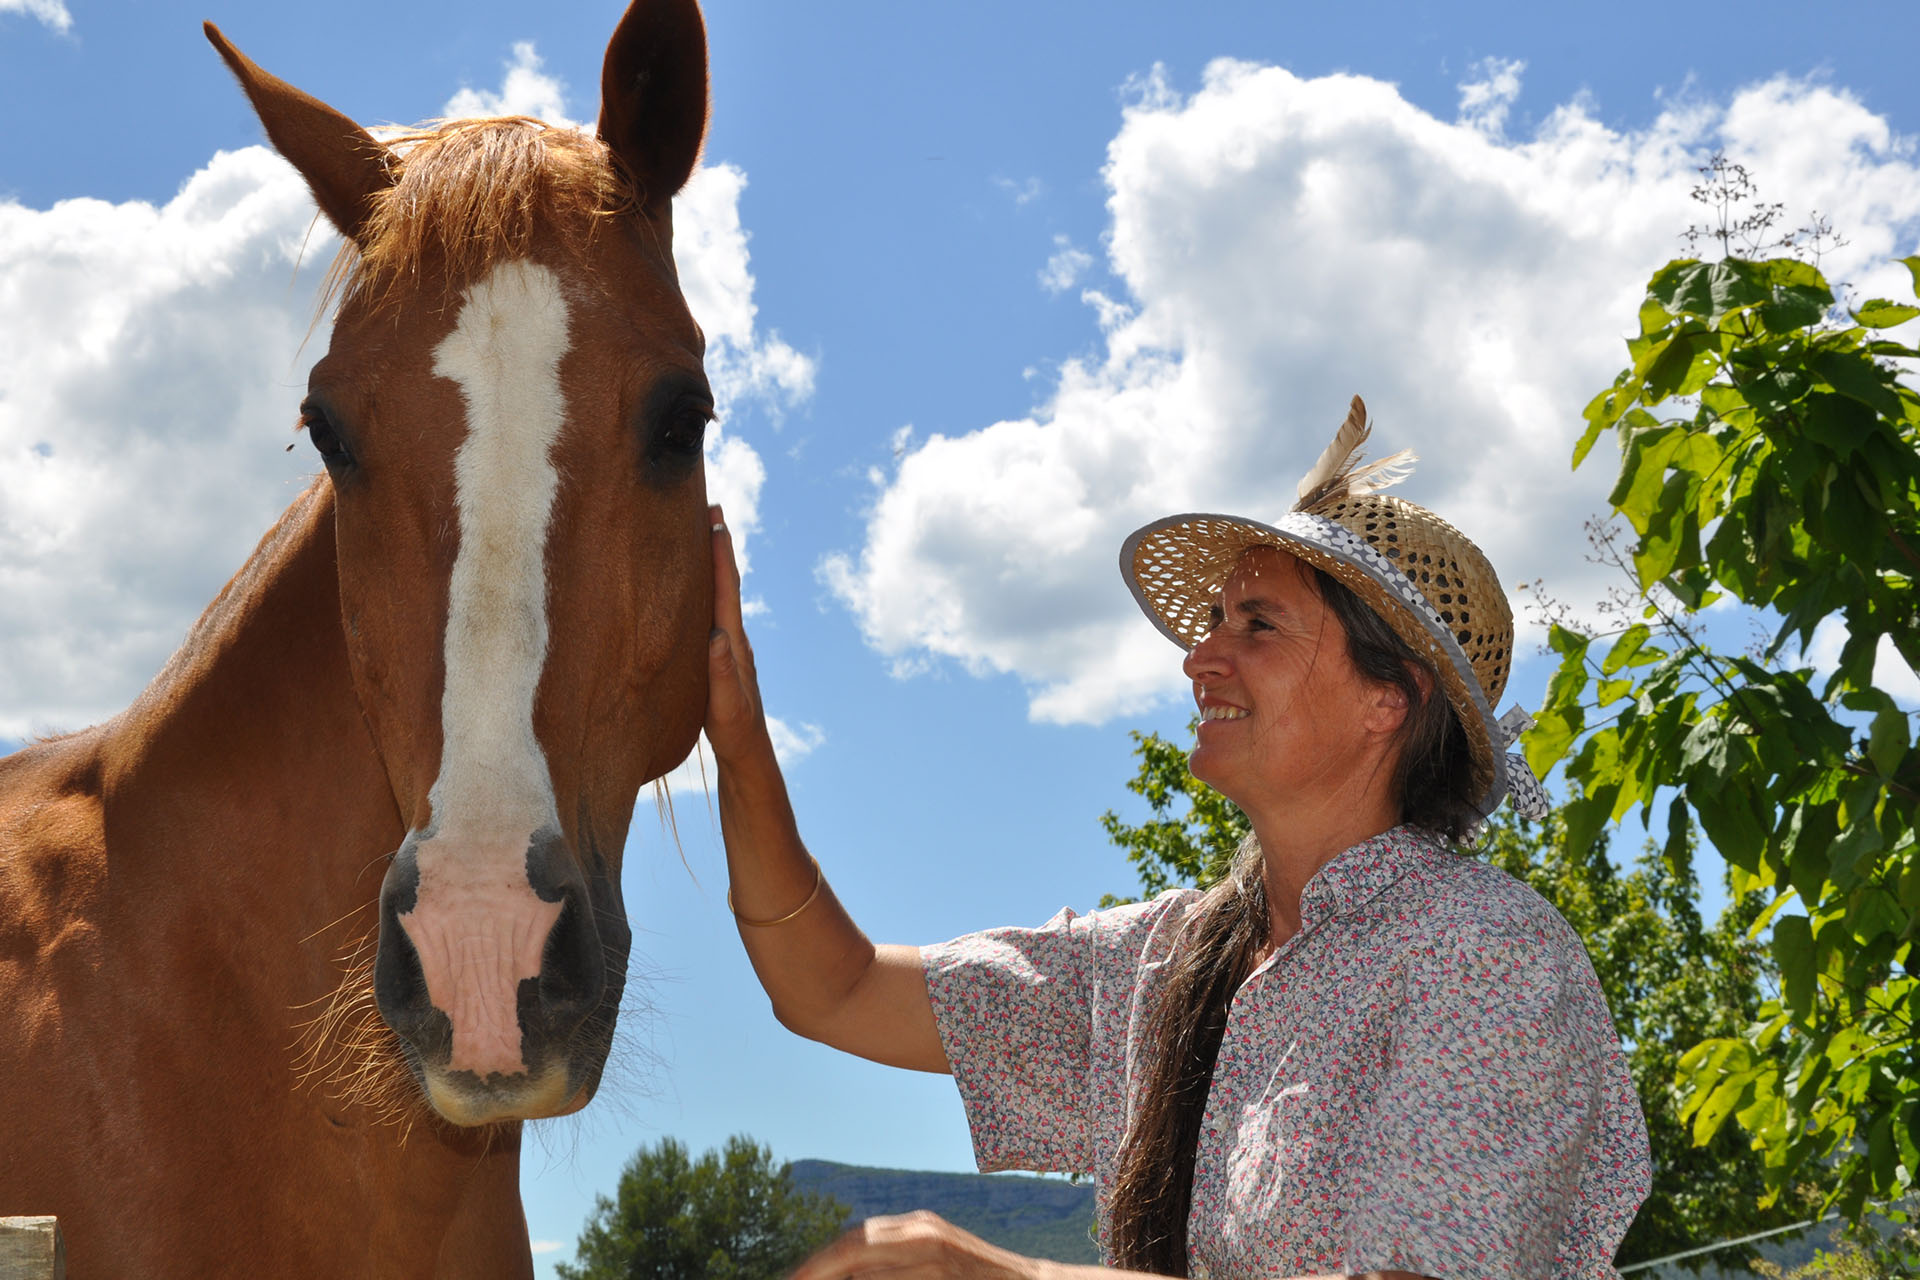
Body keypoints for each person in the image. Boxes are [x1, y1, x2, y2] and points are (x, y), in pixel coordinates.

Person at [702, 396, 1651, 1280]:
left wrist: (1013, 1274)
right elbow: (836, 989)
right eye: (1210, 621)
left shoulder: (1487, 955)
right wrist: (738, 743)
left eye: (1258, 623)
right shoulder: (1160, 964)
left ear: (1387, 698)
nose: (1200, 657)